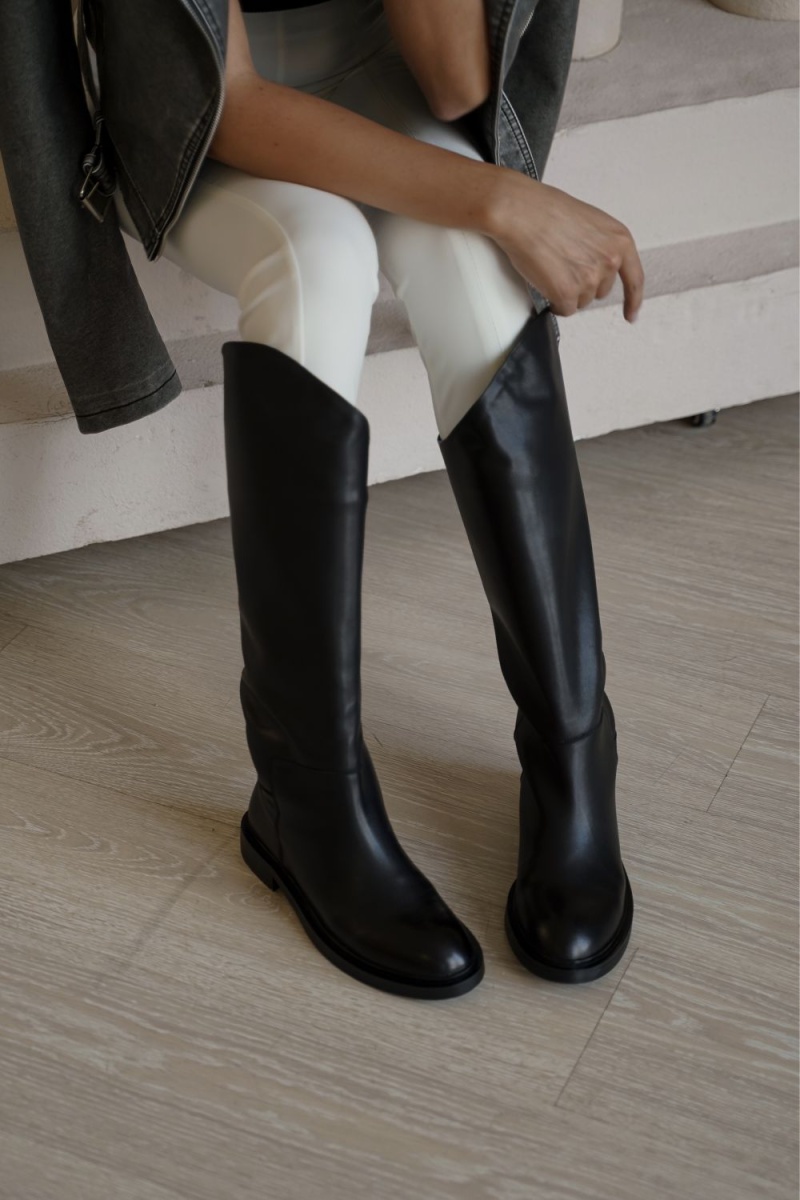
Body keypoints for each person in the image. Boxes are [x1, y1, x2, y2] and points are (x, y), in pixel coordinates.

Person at [113, 0, 643, 1000]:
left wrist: (486, 211)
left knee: (471, 264)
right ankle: (306, 796)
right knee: (319, 259)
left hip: (369, 70)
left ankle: (574, 744)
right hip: (195, 107)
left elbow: (455, 84)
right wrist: (501, 198)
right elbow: (230, 103)